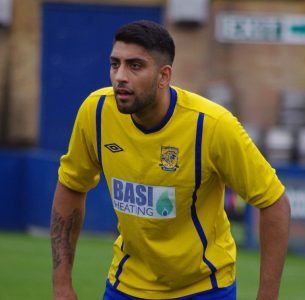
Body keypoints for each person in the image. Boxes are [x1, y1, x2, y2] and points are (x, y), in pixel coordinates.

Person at [51, 20, 290, 300]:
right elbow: (71, 186)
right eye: (115, 64)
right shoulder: (96, 111)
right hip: (126, 287)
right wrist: (62, 284)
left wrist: (267, 296)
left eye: (135, 66)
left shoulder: (211, 125)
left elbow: (274, 202)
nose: (120, 77)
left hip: (204, 289)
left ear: (164, 76)